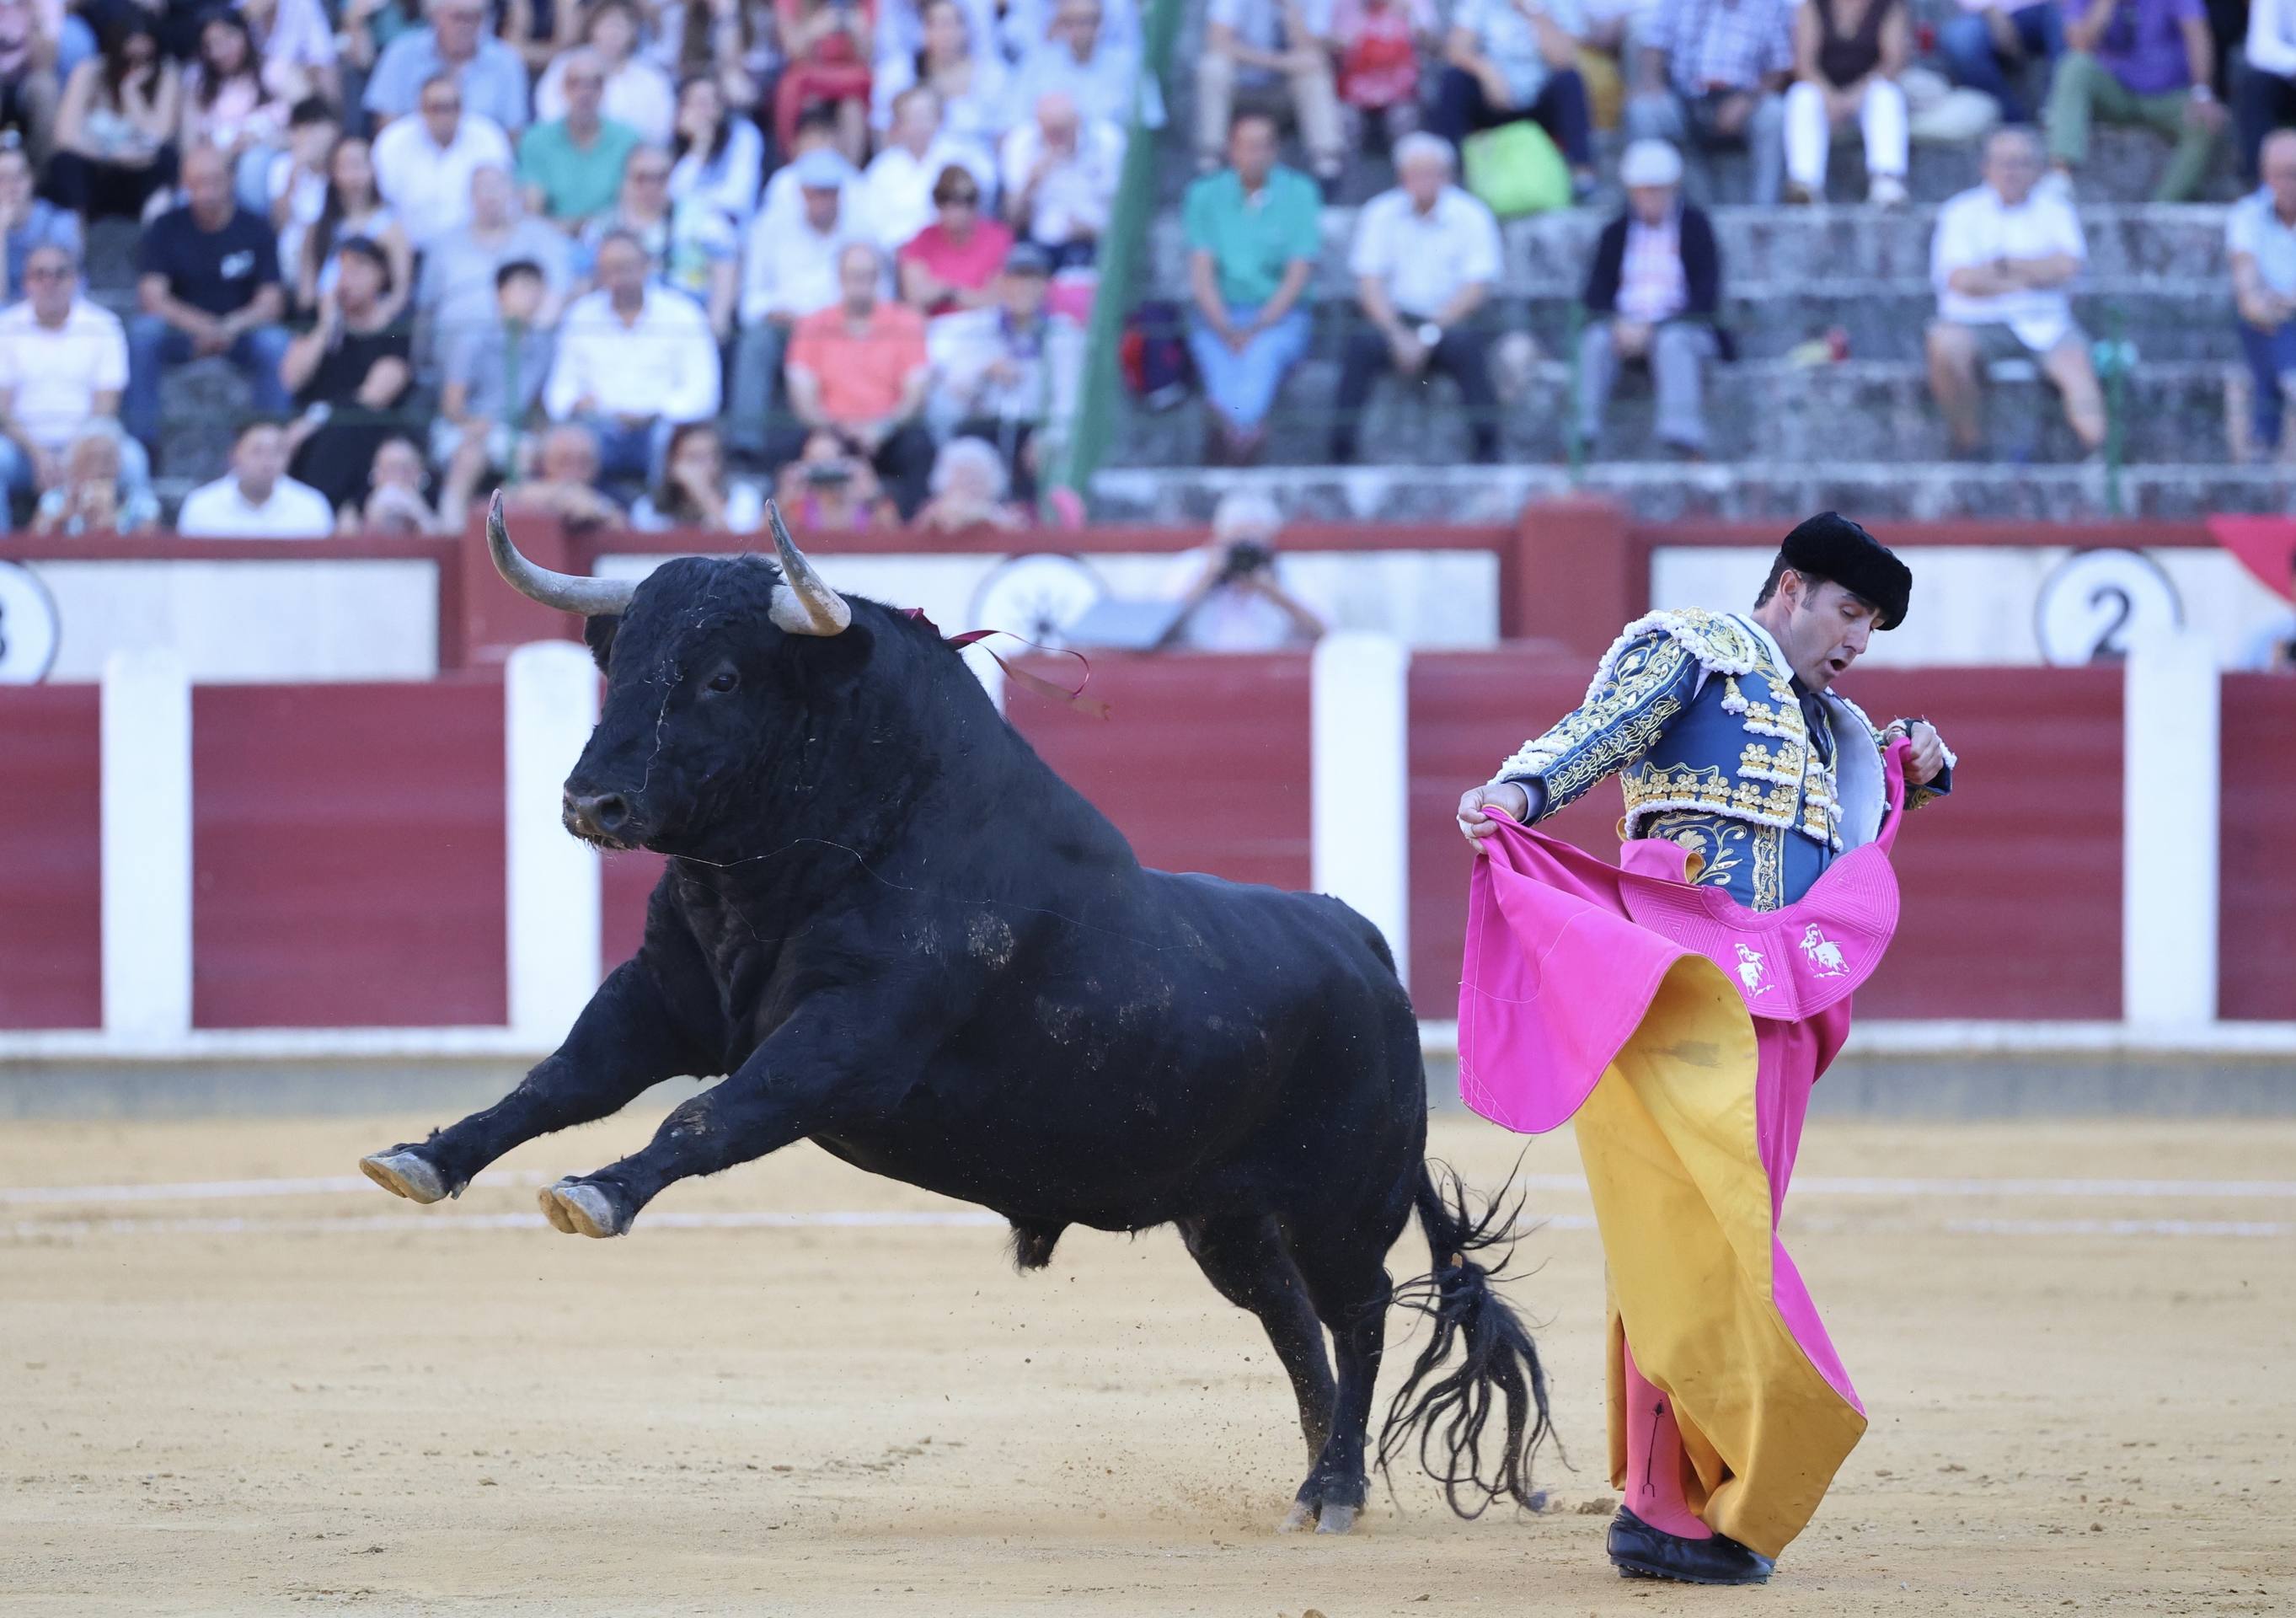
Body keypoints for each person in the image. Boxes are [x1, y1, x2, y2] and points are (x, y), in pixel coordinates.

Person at [1453, 513, 1952, 1588]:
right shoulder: (1693, 648)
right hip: (1681, 986)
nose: (1858, 641)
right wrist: (1519, 792)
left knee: (1729, 1230)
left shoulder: (1831, 723)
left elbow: (1847, 831)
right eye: (1849, 613)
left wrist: (1913, 764)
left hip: (1777, 995)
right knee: (1686, 1232)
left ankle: (1695, 1489)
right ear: (1790, 586)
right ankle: (1658, 1504)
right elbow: (1596, 732)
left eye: (1872, 626)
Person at [1926, 126, 2104, 459]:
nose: (2012, 171)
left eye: (2022, 162)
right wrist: (2032, 274)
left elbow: (2068, 268)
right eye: (2004, 162)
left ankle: (2102, 461)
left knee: (2076, 363)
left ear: (2037, 169)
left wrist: (2000, 267)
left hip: (2047, 323)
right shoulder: (1960, 212)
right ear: (1986, 167)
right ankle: (1970, 448)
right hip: (1976, 324)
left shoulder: (2056, 210)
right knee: (1944, 345)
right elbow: (1961, 281)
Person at [1330, 131, 1503, 464]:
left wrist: (1428, 333)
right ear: (1401, 176)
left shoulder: (1472, 215)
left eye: (1431, 173)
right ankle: (1340, 450)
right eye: (1414, 173)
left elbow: (1475, 289)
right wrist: (1396, 333)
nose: (1422, 181)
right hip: (1393, 322)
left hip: (1448, 323)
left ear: (1447, 176)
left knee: (1469, 348)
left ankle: (1487, 450)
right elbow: (1369, 284)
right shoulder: (1379, 213)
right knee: (1359, 346)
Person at [126, 142, 292, 455]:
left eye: (214, 180)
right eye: (197, 182)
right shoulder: (166, 226)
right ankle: (142, 444)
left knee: (276, 342)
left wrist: (230, 326)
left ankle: (270, 442)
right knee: (144, 334)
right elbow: (152, 296)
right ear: (185, 184)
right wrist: (201, 326)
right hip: (183, 333)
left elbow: (272, 301)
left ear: (231, 179)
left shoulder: (255, 227)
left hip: (239, 332)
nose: (206, 190)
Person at [1183, 109, 1320, 463]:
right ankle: (1243, 437)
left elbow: (1297, 273)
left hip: (1279, 318)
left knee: (1261, 359)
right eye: (1246, 145)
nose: (1253, 154)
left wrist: (1256, 326)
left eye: (1262, 146)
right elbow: (1202, 271)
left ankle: (1235, 438)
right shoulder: (1204, 194)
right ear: (1231, 150)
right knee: (1221, 368)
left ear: (1275, 151)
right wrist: (1226, 326)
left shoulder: (1300, 192)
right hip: (1218, 316)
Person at [1576, 139, 1721, 458]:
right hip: (1623, 328)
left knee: (1673, 343)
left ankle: (1684, 440)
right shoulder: (1614, 232)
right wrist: (1618, 323)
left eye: (1655, 190)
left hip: (1682, 326)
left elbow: (1706, 296)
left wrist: (1654, 328)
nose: (1648, 198)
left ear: (1673, 188)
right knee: (1594, 341)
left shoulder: (1696, 228)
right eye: (1641, 190)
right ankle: (1579, 439)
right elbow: (1595, 292)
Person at [543, 228, 721, 482]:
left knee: (682, 445)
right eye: (609, 269)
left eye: (626, 266)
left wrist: (652, 411)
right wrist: (576, 402)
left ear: (647, 265)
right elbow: (558, 392)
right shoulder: (580, 315)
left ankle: (657, 515)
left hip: (662, 428)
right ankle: (582, 514)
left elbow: (703, 393)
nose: (618, 277)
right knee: (568, 444)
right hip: (599, 429)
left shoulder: (684, 314)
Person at [732, 145, 877, 454]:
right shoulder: (769, 228)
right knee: (755, 342)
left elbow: (880, 296)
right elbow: (751, 302)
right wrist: (788, 317)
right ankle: (746, 446)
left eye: (829, 193)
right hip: (786, 327)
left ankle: (856, 444)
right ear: (801, 192)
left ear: (840, 194)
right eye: (815, 193)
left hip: (842, 330)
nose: (822, 202)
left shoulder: (862, 229)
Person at [784, 239, 934, 513]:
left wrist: (883, 428)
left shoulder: (905, 322)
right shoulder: (813, 325)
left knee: (918, 446)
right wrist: (837, 429)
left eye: (867, 276)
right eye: (853, 276)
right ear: (840, 279)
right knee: (793, 445)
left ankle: (913, 533)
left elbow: (915, 392)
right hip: (831, 431)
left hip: (889, 433)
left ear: (878, 279)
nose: (860, 284)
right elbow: (803, 397)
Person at [0, 241, 150, 502]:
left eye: (60, 274)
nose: (50, 282)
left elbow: (106, 404)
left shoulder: (103, 326)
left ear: (77, 281)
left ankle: (142, 539)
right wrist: (39, 454)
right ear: (26, 283)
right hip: (23, 448)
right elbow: (4, 408)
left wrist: (74, 456)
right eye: (40, 275)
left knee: (134, 460)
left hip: (88, 443)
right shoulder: (6, 327)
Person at [929, 239, 1076, 497]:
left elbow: (1068, 400)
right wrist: (984, 369)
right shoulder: (980, 328)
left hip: (1035, 430)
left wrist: (1049, 436)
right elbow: (946, 367)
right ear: (1003, 283)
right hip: (986, 426)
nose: (1024, 289)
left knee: (1045, 455)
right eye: (1017, 279)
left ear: (1045, 286)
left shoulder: (1062, 334)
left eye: (1033, 280)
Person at [278, 235, 414, 510]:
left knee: (345, 431)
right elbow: (291, 379)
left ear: (381, 275)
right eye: (342, 268)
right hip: (307, 433)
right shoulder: (319, 321)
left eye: (358, 268)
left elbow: (374, 395)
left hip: (360, 430)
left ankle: (323, 513)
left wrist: (316, 419)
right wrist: (326, 326)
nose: (347, 278)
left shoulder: (395, 332)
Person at [2044, 0, 2222, 201]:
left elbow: (2196, 33)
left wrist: (2202, 91)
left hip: (2167, 96)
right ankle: (2060, 177)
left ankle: (2161, 206)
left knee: (2205, 122)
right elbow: (2079, 46)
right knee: (2074, 66)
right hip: (2116, 93)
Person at [1623, 0, 1792, 205]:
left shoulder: (1770, 5)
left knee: (1774, 113)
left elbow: (1779, 69)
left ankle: (1763, 213)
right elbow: (1654, 46)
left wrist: (1746, 100)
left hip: (1744, 99)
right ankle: (1649, 213)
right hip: (1685, 98)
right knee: (1643, 111)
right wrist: (1652, 83)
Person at [434, 257, 554, 528]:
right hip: (469, 428)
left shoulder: (543, 345)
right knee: (470, 457)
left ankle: (504, 530)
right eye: (523, 287)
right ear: (501, 293)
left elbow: (537, 405)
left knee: (526, 454)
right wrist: (476, 425)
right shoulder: (474, 339)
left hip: (512, 434)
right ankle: (451, 529)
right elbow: (452, 405)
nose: (533, 296)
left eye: (538, 288)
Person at [1433, 0, 1597, 197]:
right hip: (1492, 99)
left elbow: (1563, 59)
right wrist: (1486, 72)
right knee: (1454, 79)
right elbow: (1456, 51)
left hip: (1539, 103)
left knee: (1570, 80)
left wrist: (1534, 10)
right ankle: (1448, 174)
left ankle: (1581, 173)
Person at [415, 162, 573, 355]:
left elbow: (559, 291)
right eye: (482, 188)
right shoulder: (444, 245)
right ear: (470, 196)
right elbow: (426, 309)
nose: (490, 196)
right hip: (456, 357)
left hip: (528, 352)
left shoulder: (542, 236)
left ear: (513, 192)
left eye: (497, 186)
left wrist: (532, 337)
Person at [43, 19, 179, 224]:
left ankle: (153, 229)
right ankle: (76, 233)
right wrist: (113, 154)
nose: (135, 62)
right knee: (65, 162)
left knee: (167, 159)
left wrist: (130, 92)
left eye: (144, 56)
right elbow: (65, 137)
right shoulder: (89, 71)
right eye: (129, 55)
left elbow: (158, 136)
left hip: (139, 173)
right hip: (98, 169)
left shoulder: (167, 74)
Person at [1196, 0, 1344, 187]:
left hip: (1285, 92)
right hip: (1242, 86)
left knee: (1314, 75)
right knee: (1213, 67)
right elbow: (1218, 40)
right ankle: (1210, 160)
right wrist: (1277, 62)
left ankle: (1326, 167)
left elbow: (1311, 53)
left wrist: (1291, 9)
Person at [1160, 490, 1326, 651]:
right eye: (1238, 538)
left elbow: (1326, 633)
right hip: (1198, 669)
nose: (1244, 551)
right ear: (1220, 536)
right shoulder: (1193, 565)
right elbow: (1155, 630)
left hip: (1271, 670)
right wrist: (1206, 578)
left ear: (1269, 540)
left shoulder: (1289, 570)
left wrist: (1273, 591)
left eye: (1253, 541)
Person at [1781, 0, 1909, 205]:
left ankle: (1886, 180)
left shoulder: (1888, 5)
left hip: (1868, 89)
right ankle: (1804, 184)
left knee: (1886, 95)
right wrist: (1830, 97)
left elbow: (1893, 61)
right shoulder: (1812, 5)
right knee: (1802, 96)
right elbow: (1804, 63)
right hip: (1823, 90)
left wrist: (1855, 95)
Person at [370, 70, 512, 250]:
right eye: (436, 108)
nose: (445, 116)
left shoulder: (488, 136)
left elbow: (502, 198)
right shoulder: (393, 141)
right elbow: (382, 203)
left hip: (473, 250)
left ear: (462, 108)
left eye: (452, 107)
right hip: (409, 250)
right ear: (420, 109)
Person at [178, 8, 294, 213]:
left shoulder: (275, 69)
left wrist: (260, 140)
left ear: (244, 34)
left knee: (253, 164)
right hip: (218, 161)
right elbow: (190, 147)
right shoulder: (197, 81)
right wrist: (222, 154)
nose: (219, 51)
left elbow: (311, 124)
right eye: (210, 45)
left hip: (270, 156)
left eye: (227, 40)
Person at [516, 46, 641, 227]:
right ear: (563, 89)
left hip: (612, 239)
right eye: (575, 83)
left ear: (604, 90)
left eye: (594, 84)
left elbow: (633, 207)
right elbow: (532, 212)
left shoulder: (628, 140)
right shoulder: (535, 140)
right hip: (552, 238)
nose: (585, 92)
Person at [998, 89, 1121, 269]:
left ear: (1077, 121)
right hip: (1040, 249)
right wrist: (1031, 183)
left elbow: (1122, 210)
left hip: (1100, 243)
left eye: (1062, 130)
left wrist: (1092, 231)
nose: (1056, 138)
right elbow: (1011, 219)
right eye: (1050, 131)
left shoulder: (1108, 142)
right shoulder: (1020, 143)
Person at [2229, 129, 2296, 459]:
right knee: (2270, 331)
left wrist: (2278, 302)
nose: (2290, 183)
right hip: (2265, 326)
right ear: (2265, 175)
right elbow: (2250, 298)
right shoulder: (2247, 215)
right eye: (2283, 174)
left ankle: (2264, 437)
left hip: (2278, 320)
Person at [364, 0, 529, 133]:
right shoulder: (401, 54)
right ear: (435, 15)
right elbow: (387, 124)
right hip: (412, 165)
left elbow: (513, 132)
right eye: (458, 17)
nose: (467, 25)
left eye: (475, 17)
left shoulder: (506, 62)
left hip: (484, 166)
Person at [295, 133, 415, 317]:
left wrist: (376, 320)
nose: (353, 175)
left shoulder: (391, 227)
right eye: (345, 166)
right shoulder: (318, 228)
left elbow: (400, 292)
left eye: (358, 165)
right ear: (333, 172)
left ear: (373, 169)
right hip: (324, 325)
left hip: (372, 326)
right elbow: (307, 291)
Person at [862, 84, 993, 249]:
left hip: (955, 248)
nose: (920, 125)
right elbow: (874, 222)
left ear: (939, 119)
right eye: (912, 118)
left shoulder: (964, 157)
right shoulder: (882, 169)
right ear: (898, 124)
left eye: (926, 116)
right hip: (899, 253)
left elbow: (978, 207)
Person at [870, 0, 1011, 152]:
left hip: (971, 163)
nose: (945, 34)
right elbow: (884, 131)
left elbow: (1001, 134)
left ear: (966, 30)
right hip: (914, 166)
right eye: (936, 25)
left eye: (950, 25)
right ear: (923, 31)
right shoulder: (899, 74)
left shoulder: (991, 75)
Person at [533, 0, 675, 143]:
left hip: (633, 157)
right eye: (607, 25)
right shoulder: (565, 65)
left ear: (634, 31)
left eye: (620, 26)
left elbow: (660, 131)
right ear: (593, 28)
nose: (613, 33)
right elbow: (549, 115)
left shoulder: (651, 77)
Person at [1007, 0, 1159, 129]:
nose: (1079, 30)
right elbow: (1014, 123)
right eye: (1071, 23)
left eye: (1087, 22)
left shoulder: (1128, 65)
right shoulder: (1038, 64)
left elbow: (1149, 122)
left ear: (1100, 24)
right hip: (1050, 157)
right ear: (1061, 26)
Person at [175, 415, 335, 534]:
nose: (268, 461)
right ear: (234, 456)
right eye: (257, 452)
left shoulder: (311, 506)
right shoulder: (201, 506)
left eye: (277, 451)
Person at [897, 160, 1013, 318]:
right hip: (936, 330)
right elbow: (915, 297)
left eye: (962, 201)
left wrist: (947, 292)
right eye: (944, 201)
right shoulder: (921, 241)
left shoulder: (998, 238)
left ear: (974, 204)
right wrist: (968, 295)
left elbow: (997, 299)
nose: (953, 211)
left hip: (987, 328)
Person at [773, 0, 875, 161]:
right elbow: (793, 51)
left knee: (852, 109)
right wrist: (815, 29)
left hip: (849, 80)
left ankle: (848, 176)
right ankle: (801, 170)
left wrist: (857, 29)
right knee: (810, 105)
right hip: (806, 80)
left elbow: (867, 55)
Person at [1940, 0, 2062, 126]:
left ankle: (2061, 109)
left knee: (2065, 18)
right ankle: (2012, 125)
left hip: (2049, 9)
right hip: (1984, 14)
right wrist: (1989, 9)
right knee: (1961, 40)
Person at [629, 418, 766, 529]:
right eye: (694, 458)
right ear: (672, 464)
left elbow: (739, 549)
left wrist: (704, 495)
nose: (706, 466)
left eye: (711, 457)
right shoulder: (647, 508)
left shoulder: (743, 497)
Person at [667, 72, 764, 228]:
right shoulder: (674, 143)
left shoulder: (743, 134)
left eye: (713, 101)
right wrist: (699, 147)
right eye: (699, 103)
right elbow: (673, 195)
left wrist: (693, 201)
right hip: (684, 233)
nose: (707, 110)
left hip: (730, 233)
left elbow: (738, 198)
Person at [1331, 0, 1436, 140]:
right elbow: (1335, 49)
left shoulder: (1414, 4)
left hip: (1402, 89)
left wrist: (1412, 17)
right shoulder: (1348, 5)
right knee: (1344, 119)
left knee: (1403, 120)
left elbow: (1433, 45)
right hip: (1356, 88)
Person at [29, 425, 158, 532]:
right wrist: (61, 518)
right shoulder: (55, 500)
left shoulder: (141, 502)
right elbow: (31, 545)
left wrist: (109, 521)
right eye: (93, 457)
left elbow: (151, 549)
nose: (102, 466)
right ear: (76, 464)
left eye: (108, 457)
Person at [502, 418, 624, 526]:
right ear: (544, 462)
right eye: (564, 462)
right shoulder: (527, 487)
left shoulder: (613, 494)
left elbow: (624, 526)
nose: (574, 471)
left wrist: (598, 509)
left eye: (584, 462)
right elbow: (506, 499)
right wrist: (561, 494)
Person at [772, 424, 898, 528]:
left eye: (829, 459)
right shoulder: (799, 501)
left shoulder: (860, 496)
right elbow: (766, 538)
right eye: (815, 460)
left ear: (843, 461)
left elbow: (894, 533)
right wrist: (784, 498)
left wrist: (872, 493)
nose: (823, 468)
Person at [0, 138, 75, 302]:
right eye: (2, 178)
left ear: (31, 179)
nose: (11, 186)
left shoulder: (59, 222)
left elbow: (56, 290)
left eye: (19, 176)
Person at [907, 431, 1025, 529]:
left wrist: (986, 514)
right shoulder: (930, 513)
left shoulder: (1007, 515)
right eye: (962, 475)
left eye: (976, 476)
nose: (969, 482)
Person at [344, 432, 438, 531]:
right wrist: (372, 520)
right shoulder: (353, 511)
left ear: (420, 473)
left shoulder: (435, 504)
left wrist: (421, 514)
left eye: (406, 470)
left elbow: (444, 540)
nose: (398, 477)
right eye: (390, 469)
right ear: (376, 474)